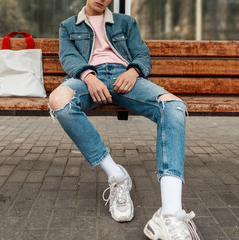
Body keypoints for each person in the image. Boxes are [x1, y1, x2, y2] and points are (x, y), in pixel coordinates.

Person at [48, 0, 201, 239]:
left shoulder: (126, 22)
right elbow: (68, 58)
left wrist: (133, 71)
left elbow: (142, 54)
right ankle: (116, 175)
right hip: (88, 79)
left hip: (125, 79)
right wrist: (89, 77)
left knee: (173, 105)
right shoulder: (68, 26)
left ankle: (169, 213)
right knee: (58, 100)